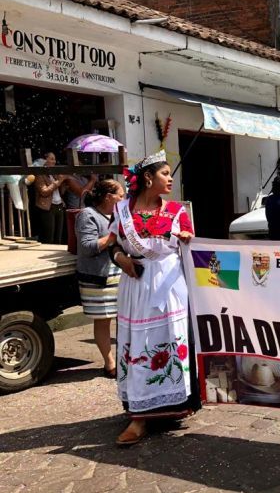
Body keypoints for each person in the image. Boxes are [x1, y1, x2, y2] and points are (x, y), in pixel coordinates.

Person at [107, 150, 197, 446]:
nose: (171, 179)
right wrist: (120, 258)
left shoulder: (177, 212)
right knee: (138, 344)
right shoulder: (122, 211)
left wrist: (186, 242)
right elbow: (110, 246)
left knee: (171, 340)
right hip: (136, 285)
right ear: (148, 178)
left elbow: (192, 249)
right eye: (165, 173)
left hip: (169, 286)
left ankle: (172, 406)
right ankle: (139, 416)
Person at [75, 179, 125, 377]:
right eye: (120, 195)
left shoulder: (117, 214)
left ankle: (124, 359)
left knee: (124, 319)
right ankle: (110, 363)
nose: (124, 199)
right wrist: (112, 237)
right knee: (103, 321)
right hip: (98, 278)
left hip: (119, 275)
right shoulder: (87, 215)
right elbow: (87, 247)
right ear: (108, 197)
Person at [32, 152, 66, 243]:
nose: (54, 161)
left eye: (54, 159)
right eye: (51, 159)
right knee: (49, 237)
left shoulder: (54, 174)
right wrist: (58, 181)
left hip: (59, 205)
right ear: (44, 161)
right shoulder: (39, 175)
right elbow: (44, 192)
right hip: (48, 207)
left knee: (58, 237)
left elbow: (61, 192)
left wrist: (64, 183)